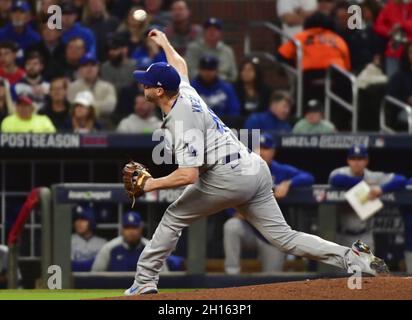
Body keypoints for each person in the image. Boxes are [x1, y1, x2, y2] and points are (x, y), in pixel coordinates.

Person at [125, 29, 389, 296]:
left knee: (173, 217)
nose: (142, 86)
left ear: (159, 90)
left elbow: (188, 175)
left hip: (227, 175)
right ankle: (353, 257)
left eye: (146, 83)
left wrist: (150, 185)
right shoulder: (183, 90)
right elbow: (179, 65)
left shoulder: (182, 121)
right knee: (284, 237)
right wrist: (166, 43)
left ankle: (145, 281)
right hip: (253, 166)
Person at [224, 133, 315, 274]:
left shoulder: (280, 170)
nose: (261, 152)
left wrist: (289, 183)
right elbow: (227, 198)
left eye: (266, 148)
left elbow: (309, 177)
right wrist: (240, 211)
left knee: (272, 278)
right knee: (232, 226)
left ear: (273, 151)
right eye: (258, 148)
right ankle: (231, 274)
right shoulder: (242, 169)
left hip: (272, 235)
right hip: (248, 230)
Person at [328, 144, 407, 250]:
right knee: (340, 266)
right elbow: (336, 179)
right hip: (342, 236)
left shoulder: (372, 176)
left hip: (364, 236)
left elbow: (401, 180)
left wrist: (381, 189)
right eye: (353, 158)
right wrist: (365, 184)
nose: (356, 162)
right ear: (348, 160)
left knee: (366, 266)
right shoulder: (340, 173)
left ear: (366, 160)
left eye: (360, 159)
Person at [278, 12, 351, 104]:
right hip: (336, 78)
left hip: (309, 79)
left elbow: (281, 55)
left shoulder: (301, 36)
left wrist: (295, 65)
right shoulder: (338, 39)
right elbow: (347, 66)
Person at [92, 211, 183, 272]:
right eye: (127, 228)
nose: (131, 231)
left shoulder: (151, 248)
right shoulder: (109, 248)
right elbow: (95, 276)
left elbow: (165, 277)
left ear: (140, 229)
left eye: (134, 227)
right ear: (122, 230)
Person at [67, 54, 117, 126]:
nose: (89, 68)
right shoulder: (73, 87)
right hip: (79, 123)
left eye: (93, 65)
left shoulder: (108, 87)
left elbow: (110, 107)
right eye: (85, 65)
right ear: (80, 69)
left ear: (98, 68)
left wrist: (86, 107)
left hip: (103, 122)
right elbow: (73, 109)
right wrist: (99, 105)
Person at [185, 17, 238, 82]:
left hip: (222, 86)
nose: (212, 31)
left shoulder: (227, 51)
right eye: (208, 29)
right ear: (204, 32)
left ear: (220, 33)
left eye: (215, 29)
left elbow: (234, 75)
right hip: (197, 86)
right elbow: (190, 71)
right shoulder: (193, 48)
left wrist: (218, 81)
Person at [374, 0, 412, 78]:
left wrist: (402, 25)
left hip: (409, 51)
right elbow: (378, 25)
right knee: (392, 81)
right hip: (394, 51)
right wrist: (389, 32)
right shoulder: (390, 6)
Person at [71, 205, 107, 272]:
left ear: (91, 222)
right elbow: (71, 266)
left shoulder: (103, 243)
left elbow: (102, 267)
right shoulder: (68, 241)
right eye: (76, 219)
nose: (78, 223)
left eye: (83, 219)